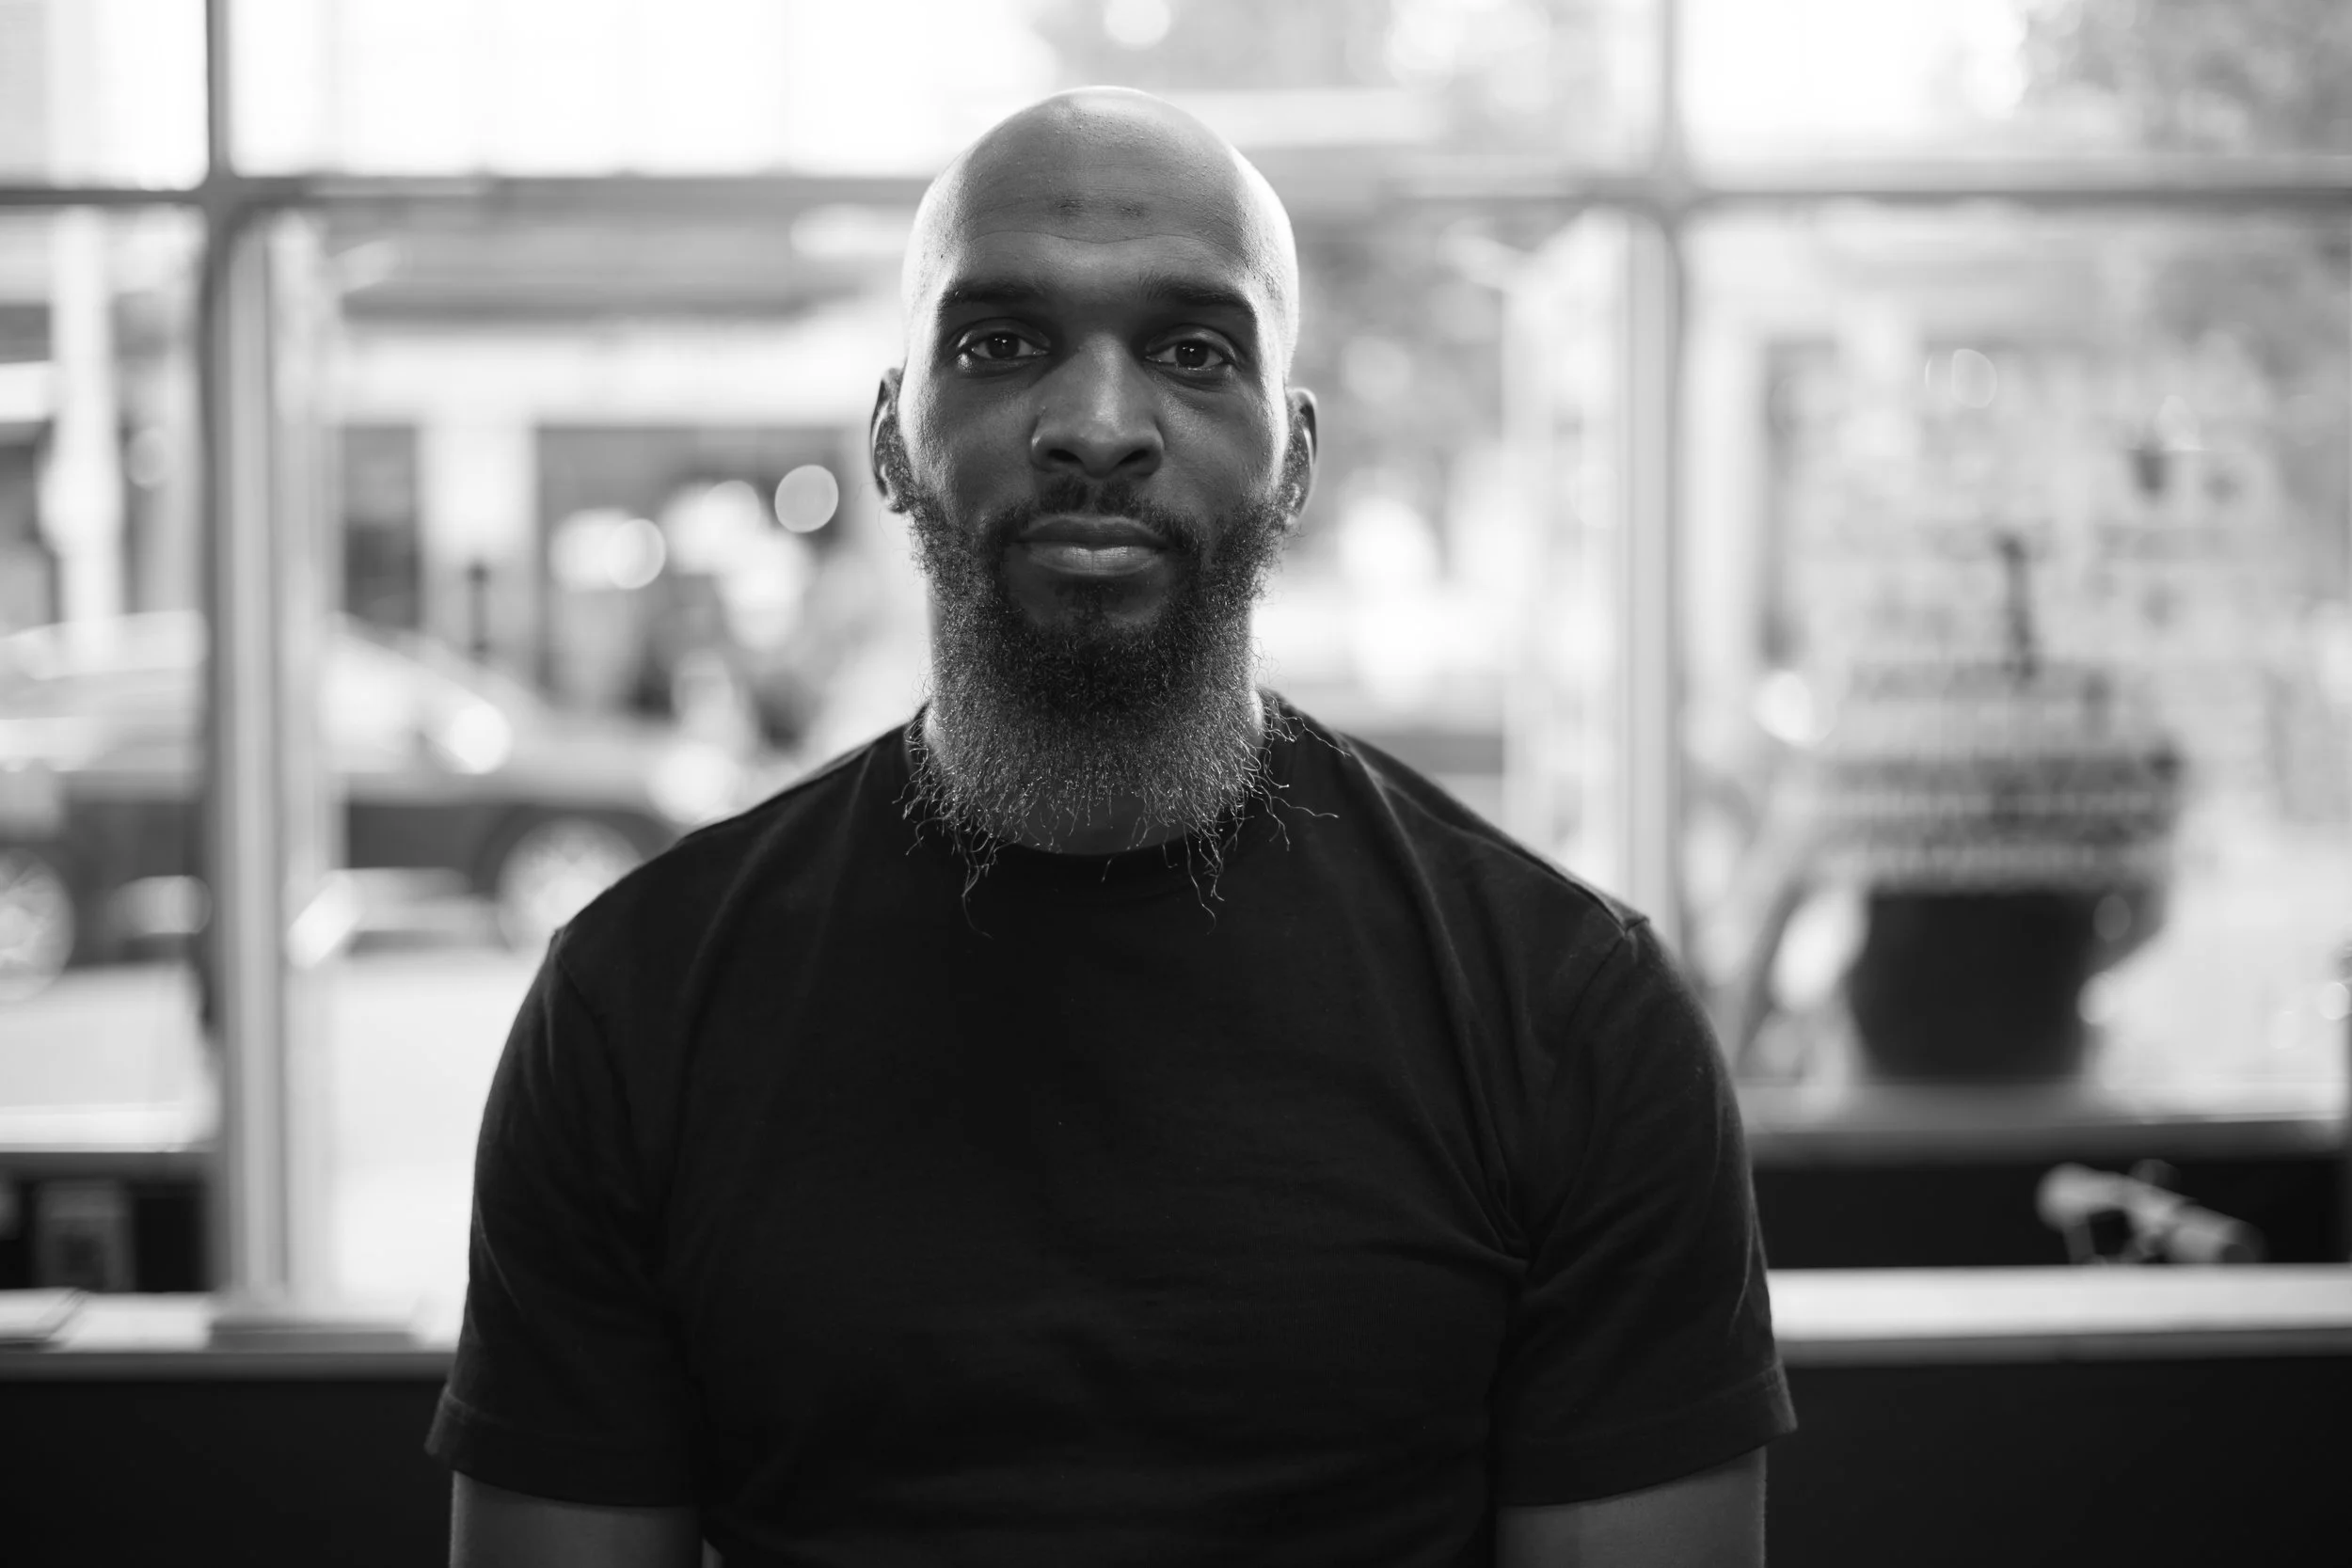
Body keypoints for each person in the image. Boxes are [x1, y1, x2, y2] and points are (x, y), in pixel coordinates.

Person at [428, 87, 1794, 1568]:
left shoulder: (1571, 1017)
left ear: (1296, 457)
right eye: (1000, 342)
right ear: (893, 438)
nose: (1094, 424)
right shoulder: (634, 1005)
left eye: (1194, 352)